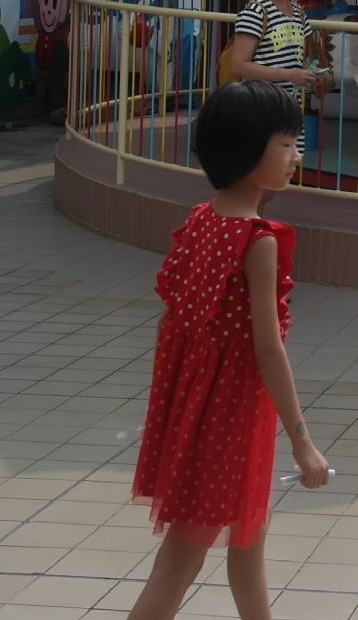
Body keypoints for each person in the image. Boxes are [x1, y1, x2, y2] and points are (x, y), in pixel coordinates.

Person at [128, 80, 331, 619]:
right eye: (285, 144)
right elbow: (268, 351)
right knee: (179, 563)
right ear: (246, 151)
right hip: (228, 422)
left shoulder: (202, 220)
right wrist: (303, 443)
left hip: (204, 413)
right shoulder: (257, 240)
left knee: (248, 542)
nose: (296, 155)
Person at [230, 0, 321, 101]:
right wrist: (289, 75)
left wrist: (314, 73)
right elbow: (238, 66)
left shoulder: (298, 12)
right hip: (260, 108)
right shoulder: (255, 12)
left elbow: (304, 60)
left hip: (289, 108)